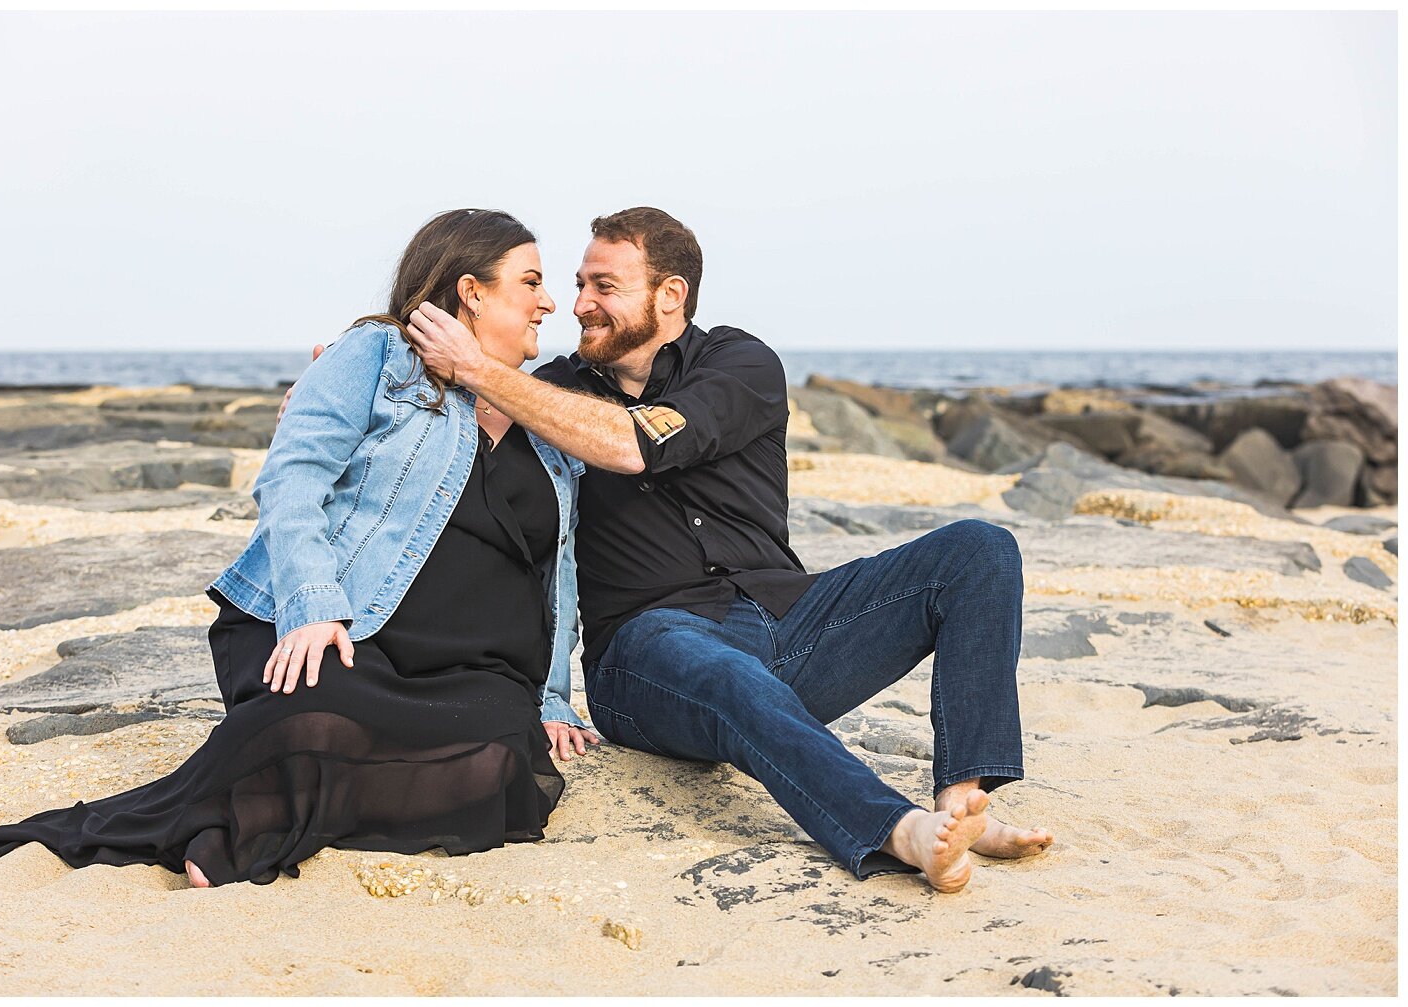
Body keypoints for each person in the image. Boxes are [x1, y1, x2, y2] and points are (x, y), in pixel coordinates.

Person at [0, 208, 598, 887]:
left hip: (471, 670)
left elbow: (555, 569)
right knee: (316, 722)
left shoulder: (544, 415)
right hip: (345, 634)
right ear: (472, 292)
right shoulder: (376, 355)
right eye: (532, 281)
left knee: (503, 767)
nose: (550, 301)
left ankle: (273, 806)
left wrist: (551, 696)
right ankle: (227, 829)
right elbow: (294, 474)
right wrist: (313, 605)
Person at [401, 206, 1054, 894]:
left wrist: (481, 370)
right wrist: (338, 392)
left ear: (670, 294)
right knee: (726, 670)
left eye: (604, 286)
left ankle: (962, 801)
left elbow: (637, 443)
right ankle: (899, 830)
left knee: (979, 550)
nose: (580, 304)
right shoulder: (552, 389)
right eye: (579, 283)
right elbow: (436, 420)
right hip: (645, 654)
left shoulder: (739, 363)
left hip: (789, 620)